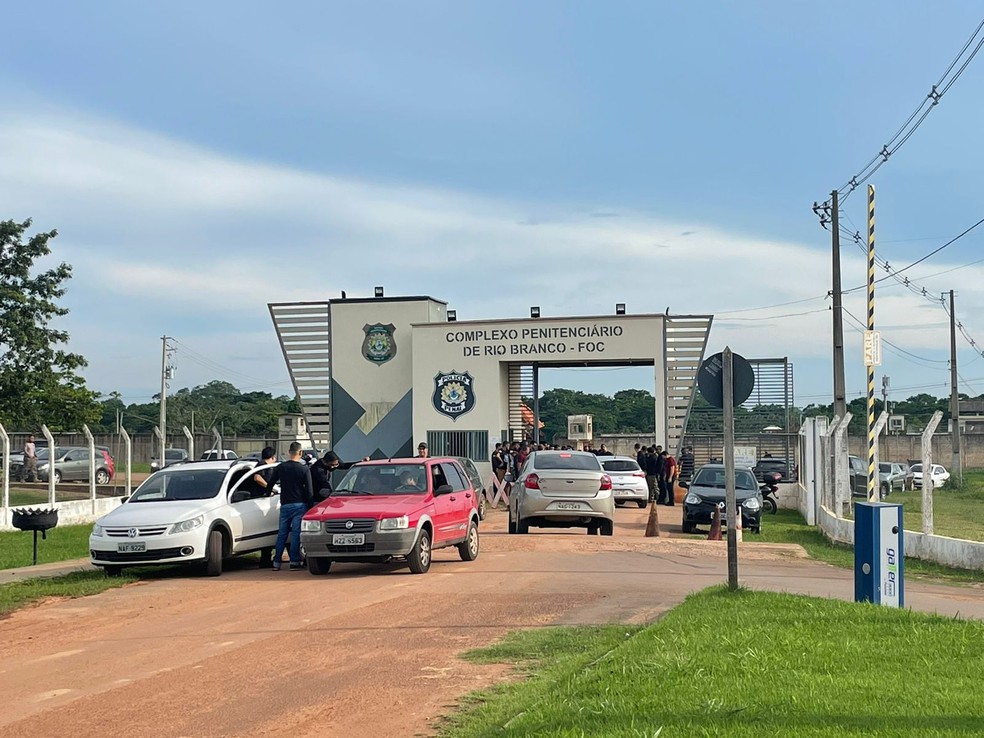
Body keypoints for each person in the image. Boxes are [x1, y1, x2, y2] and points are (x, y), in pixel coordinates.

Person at [267, 442, 313, 571]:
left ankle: (276, 562)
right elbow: (309, 491)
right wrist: (310, 506)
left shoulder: (281, 467)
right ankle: (294, 562)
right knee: (295, 534)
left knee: (282, 534)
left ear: (289, 452)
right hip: (300, 504)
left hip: (285, 504)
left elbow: (270, 483)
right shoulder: (304, 469)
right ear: (300, 453)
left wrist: (267, 493)